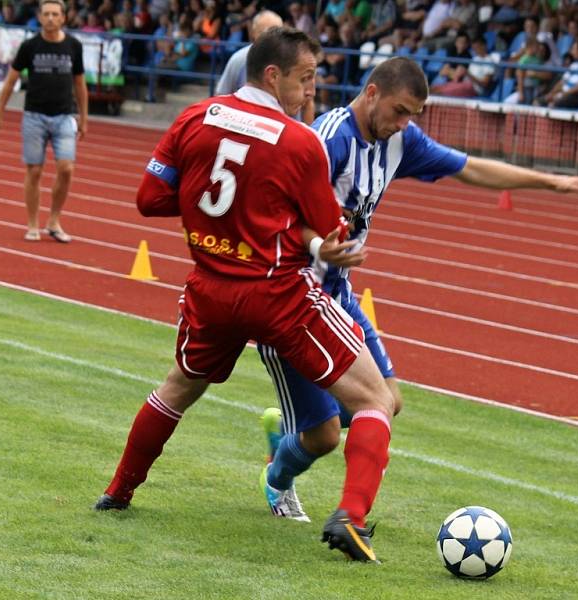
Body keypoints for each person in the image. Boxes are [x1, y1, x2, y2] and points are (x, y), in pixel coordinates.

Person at [256, 56, 578, 526]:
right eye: (400, 111)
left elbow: (470, 168)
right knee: (324, 438)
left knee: (387, 402)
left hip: (338, 291)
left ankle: (300, 428)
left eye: (413, 115)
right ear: (372, 93)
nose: (405, 123)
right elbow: (277, 214)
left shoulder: (399, 140)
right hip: (294, 296)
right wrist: (318, 243)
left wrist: (554, 182)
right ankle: (278, 476)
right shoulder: (330, 138)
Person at [94, 26, 395, 564]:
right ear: (273, 75)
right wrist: (324, 241)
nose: (310, 94)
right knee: (376, 399)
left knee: (178, 387)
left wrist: (217, 216)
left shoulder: (195, 116)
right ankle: (351, 517)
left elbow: (149, 197)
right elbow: (330, 233)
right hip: (277, 294)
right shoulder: (300, 140)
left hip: (210, 288)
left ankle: (118, 490)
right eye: (305, 80)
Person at [0, 0, 87, 243]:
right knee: (34, 170)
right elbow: (10, 82)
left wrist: (84, 118)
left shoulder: (73, 46)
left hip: (64, 116)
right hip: (34, 117)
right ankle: (32, 223)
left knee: (67, 168)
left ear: (63, 18)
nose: (50, 18)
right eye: (46, 14)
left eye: (55, 14)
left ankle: (54, 220)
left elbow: (80, 84)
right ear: (39, 17)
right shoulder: (30, 47)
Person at [215, 10, 282, 94]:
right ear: (253, 33)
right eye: (263, 32)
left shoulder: (291, 60)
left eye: (275, 32)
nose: (269, 38)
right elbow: (222, 94)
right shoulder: (239, 59)